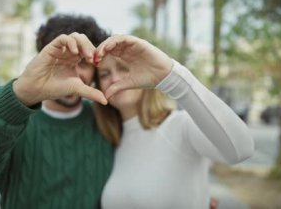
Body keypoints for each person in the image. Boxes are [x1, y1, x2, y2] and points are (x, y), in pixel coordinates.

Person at [0, 14, 114, 209]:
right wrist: (19, 95)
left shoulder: (108, 118)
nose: (73, 74)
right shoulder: (13, 122)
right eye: (63, 62)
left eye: (83, 63)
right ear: (40, 62)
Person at [92, 35, 255, 208]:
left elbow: (241, 149)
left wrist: (171, 77)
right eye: (104, 74)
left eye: (123, 68)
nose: (115, 78)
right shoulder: (111, 142)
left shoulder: (180, 125)